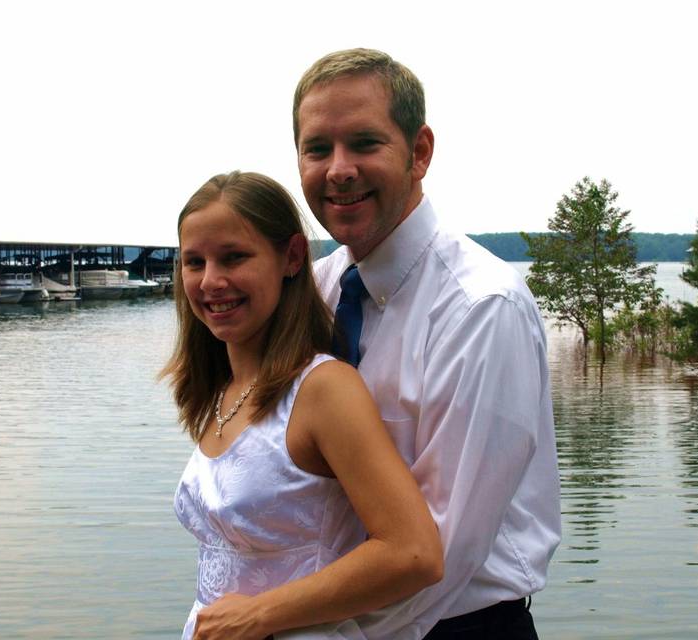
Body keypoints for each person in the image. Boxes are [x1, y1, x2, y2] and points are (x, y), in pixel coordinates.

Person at [282, 49, 562, 639]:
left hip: (457, 626)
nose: (338, 169)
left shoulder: (481, 308)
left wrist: (293, 626)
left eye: (364, 143)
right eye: (317, 148)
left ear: (420, 152)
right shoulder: (320, 290)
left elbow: (439, 551)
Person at [161, 171, 443, 640]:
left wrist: (257, 615)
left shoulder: (323, 389)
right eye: (194, 262)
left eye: (234, 257)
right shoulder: (220, 391)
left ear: (291, 257)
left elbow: (414, 553)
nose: (211, 281)